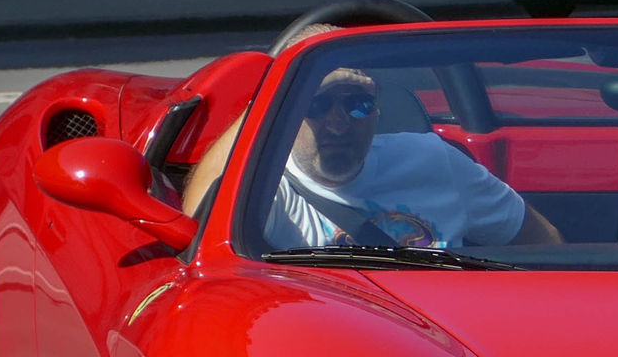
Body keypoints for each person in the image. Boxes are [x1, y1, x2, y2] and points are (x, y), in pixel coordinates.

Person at [181, 66, 565, 249]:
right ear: (286, 112)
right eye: (317, 103)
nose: (338, 124)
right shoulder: (269, 184)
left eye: (358, 105)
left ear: (378, 110)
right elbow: (199, 219)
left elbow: (544, 243)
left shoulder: (432, 159)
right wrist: (281, 89)